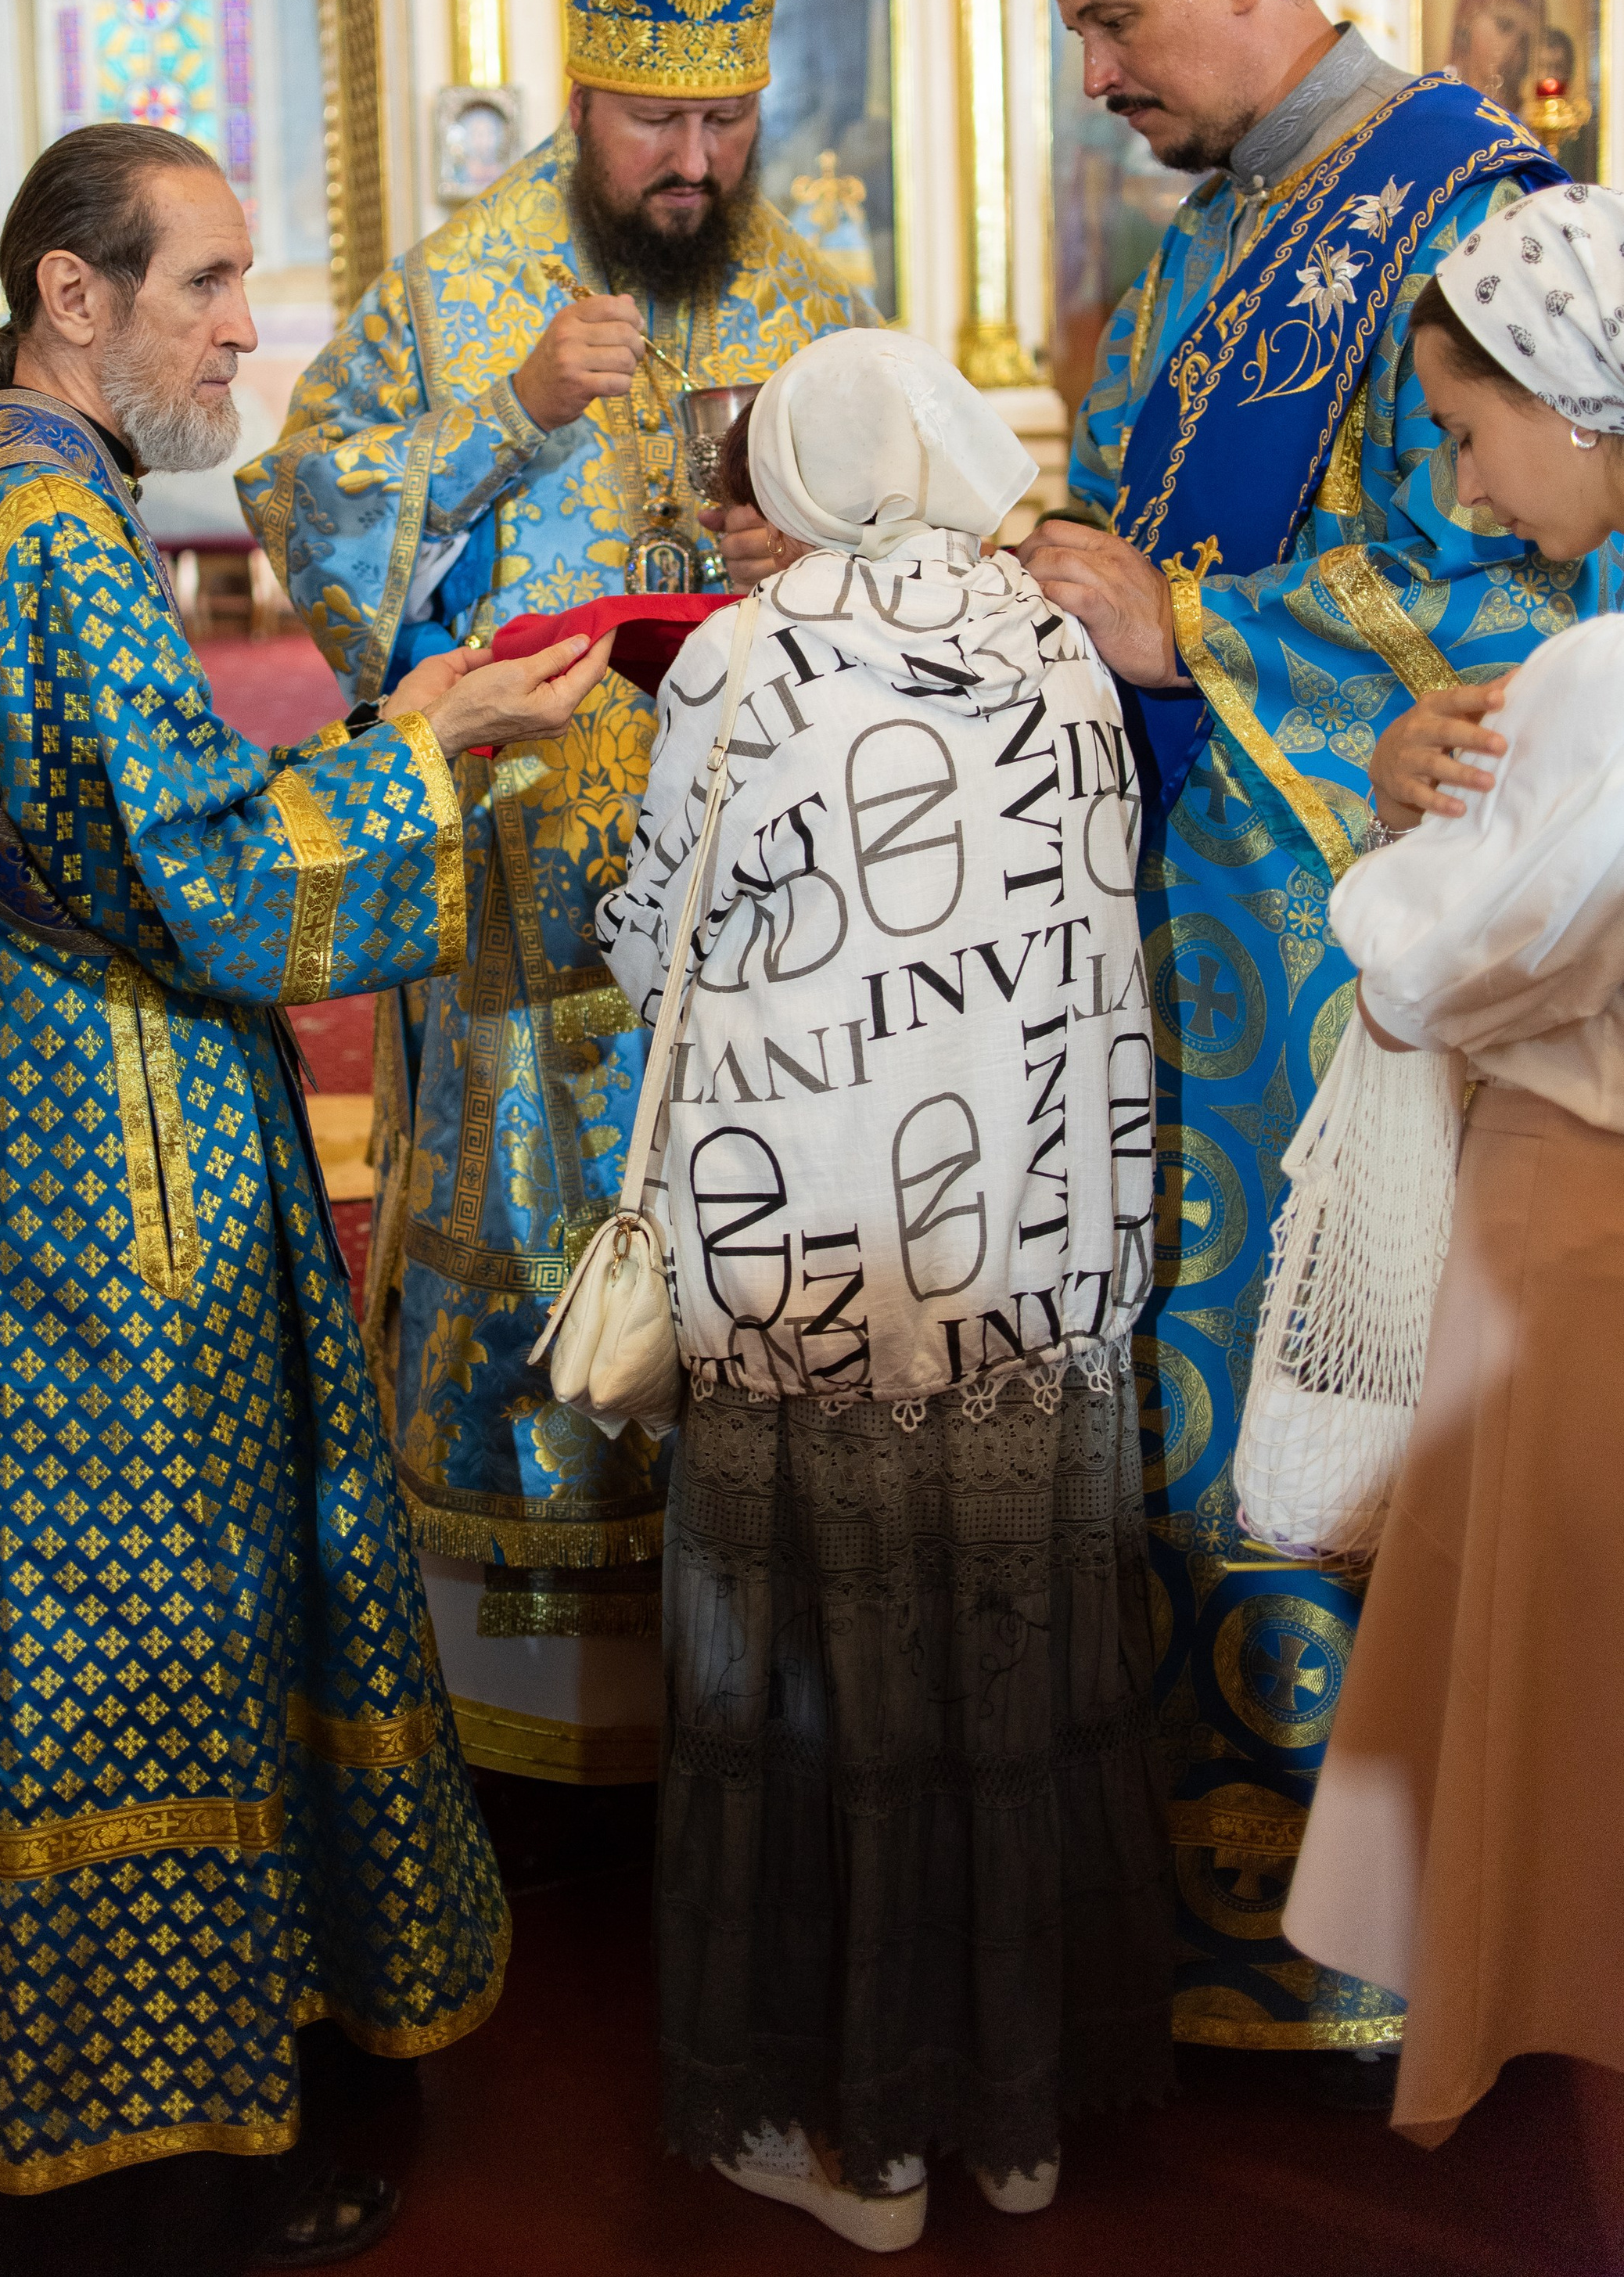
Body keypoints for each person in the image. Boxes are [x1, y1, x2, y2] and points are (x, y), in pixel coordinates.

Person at [0, 121, 609, 2260]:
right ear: (70, 293)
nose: (243, 328)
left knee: (19, 1620)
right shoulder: (60, 543)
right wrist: (429, 743)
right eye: (206, 281)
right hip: (102, 1205)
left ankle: (4, 2046)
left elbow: (115, 823)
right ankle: (175, 2131)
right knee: (150, 1626)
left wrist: (400, 727)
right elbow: (206, 876)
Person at [1022, 0, 1604, 2058]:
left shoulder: (1468, 203)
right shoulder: (1209, 227)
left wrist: (1194, 632)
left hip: (1350, 935)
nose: (1098, 74)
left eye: (1116, 20)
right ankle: (1207, 1875)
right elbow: (1124, 503)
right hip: (1183, 911)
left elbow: (1529, 585)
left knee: (1332, 1389)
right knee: (1187, 1396)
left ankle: (1372, 1929)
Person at [238, 0, 875, 1758]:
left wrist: (822, 543)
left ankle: (741, 1647)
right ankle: (525, 1680)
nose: (691, 162)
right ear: (580, 89)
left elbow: (896, 538)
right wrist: (509, 411)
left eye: (724, 120)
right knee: (530, 1234)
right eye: (650, 120)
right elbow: (311, 518)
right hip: (528, 907)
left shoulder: (808, 286)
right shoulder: (461, 285)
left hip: (759, 891)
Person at [595, 333, 1171, 2254]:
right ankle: (1011, 2121)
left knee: (819, 1689)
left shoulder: (741, 665)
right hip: (1019, 1252)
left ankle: (858, 2142)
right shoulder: (1058, 649)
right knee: (1001, 1673)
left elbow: (648, 941)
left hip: (817, 1258)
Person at [1283, 183, 1624, 2228]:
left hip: (1575, 1242)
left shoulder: (1595, 674)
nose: (1458, 478)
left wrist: (1388, 843)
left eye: (1466, 425)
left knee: (1572, 1768)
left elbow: (1426, 964)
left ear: (1575, 401)